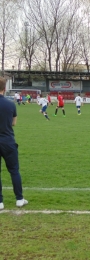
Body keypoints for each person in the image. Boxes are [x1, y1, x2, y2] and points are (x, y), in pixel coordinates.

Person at [0, 77, 28, 210]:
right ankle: (19, 199)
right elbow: (14, 123)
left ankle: (0, 202)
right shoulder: (11, 104)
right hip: (8, 141)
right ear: (4, 89)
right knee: (14, 171)